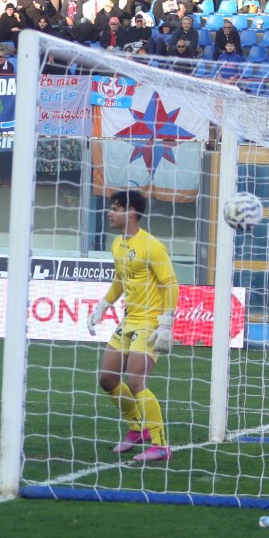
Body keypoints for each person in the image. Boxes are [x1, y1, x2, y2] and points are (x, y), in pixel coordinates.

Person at [86, 190, 177, 463]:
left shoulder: (152, 246)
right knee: (108, 379)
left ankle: (161, 444)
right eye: (111, 207)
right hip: (128, 320)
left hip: (150, 321)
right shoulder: (117, 244)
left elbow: (170, 283)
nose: (109, 213)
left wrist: (167, 322)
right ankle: (137, 429)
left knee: (136, 380)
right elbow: (120, 279)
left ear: (132, 212)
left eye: (115, 208)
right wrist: (103, 305)